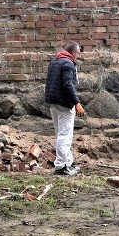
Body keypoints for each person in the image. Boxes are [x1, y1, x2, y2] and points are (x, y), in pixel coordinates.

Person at [44, 41, 86, 176]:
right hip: (64, 103)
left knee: (60, 134)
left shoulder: (54, 62)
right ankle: (61, 166)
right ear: (73, 53)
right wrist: (77, 103)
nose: (79, 55)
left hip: (53, 102)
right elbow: (68, 85)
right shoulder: (68, 64)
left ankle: (68, 162)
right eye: (78, 52)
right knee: (65, 135)